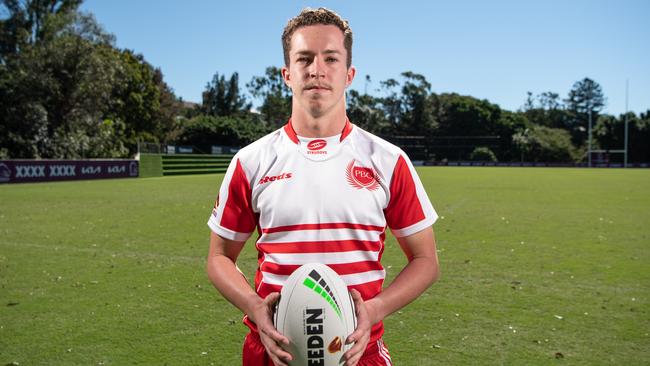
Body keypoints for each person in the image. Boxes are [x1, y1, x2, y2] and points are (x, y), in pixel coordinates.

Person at [206, 7, 440, 366]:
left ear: (349, 74)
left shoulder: (388, 161)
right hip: (271, 353)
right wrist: (254, 306)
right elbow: (220, 257)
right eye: (304, 59)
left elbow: (425, 260)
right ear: (287, 74)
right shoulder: (251, 161)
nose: (317, 69)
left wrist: (375, 309)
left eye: (331, 58)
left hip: (358, 354)